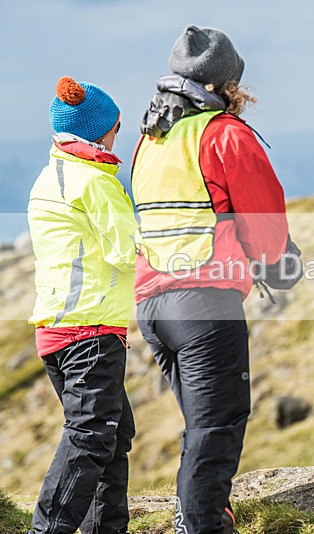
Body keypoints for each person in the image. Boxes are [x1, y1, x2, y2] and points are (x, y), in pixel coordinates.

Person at [131, 25, 295, 534]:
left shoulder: (151, 138)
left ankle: (200, 513)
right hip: (204, 306)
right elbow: (266, 228)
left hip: (153, 307)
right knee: (217, 425)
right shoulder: (225, 133)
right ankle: (201, 524)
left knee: (201, 425)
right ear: (229, 82)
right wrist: (279, 263)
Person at [28, 76, 137, 533]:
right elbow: (128, 249)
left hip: (56, 331)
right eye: (116, 127)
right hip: (89, 331)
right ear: (101, 132)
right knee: (91, 437)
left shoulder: (50, 175)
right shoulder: (94, 182)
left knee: (112, 433)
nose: (119, 134)